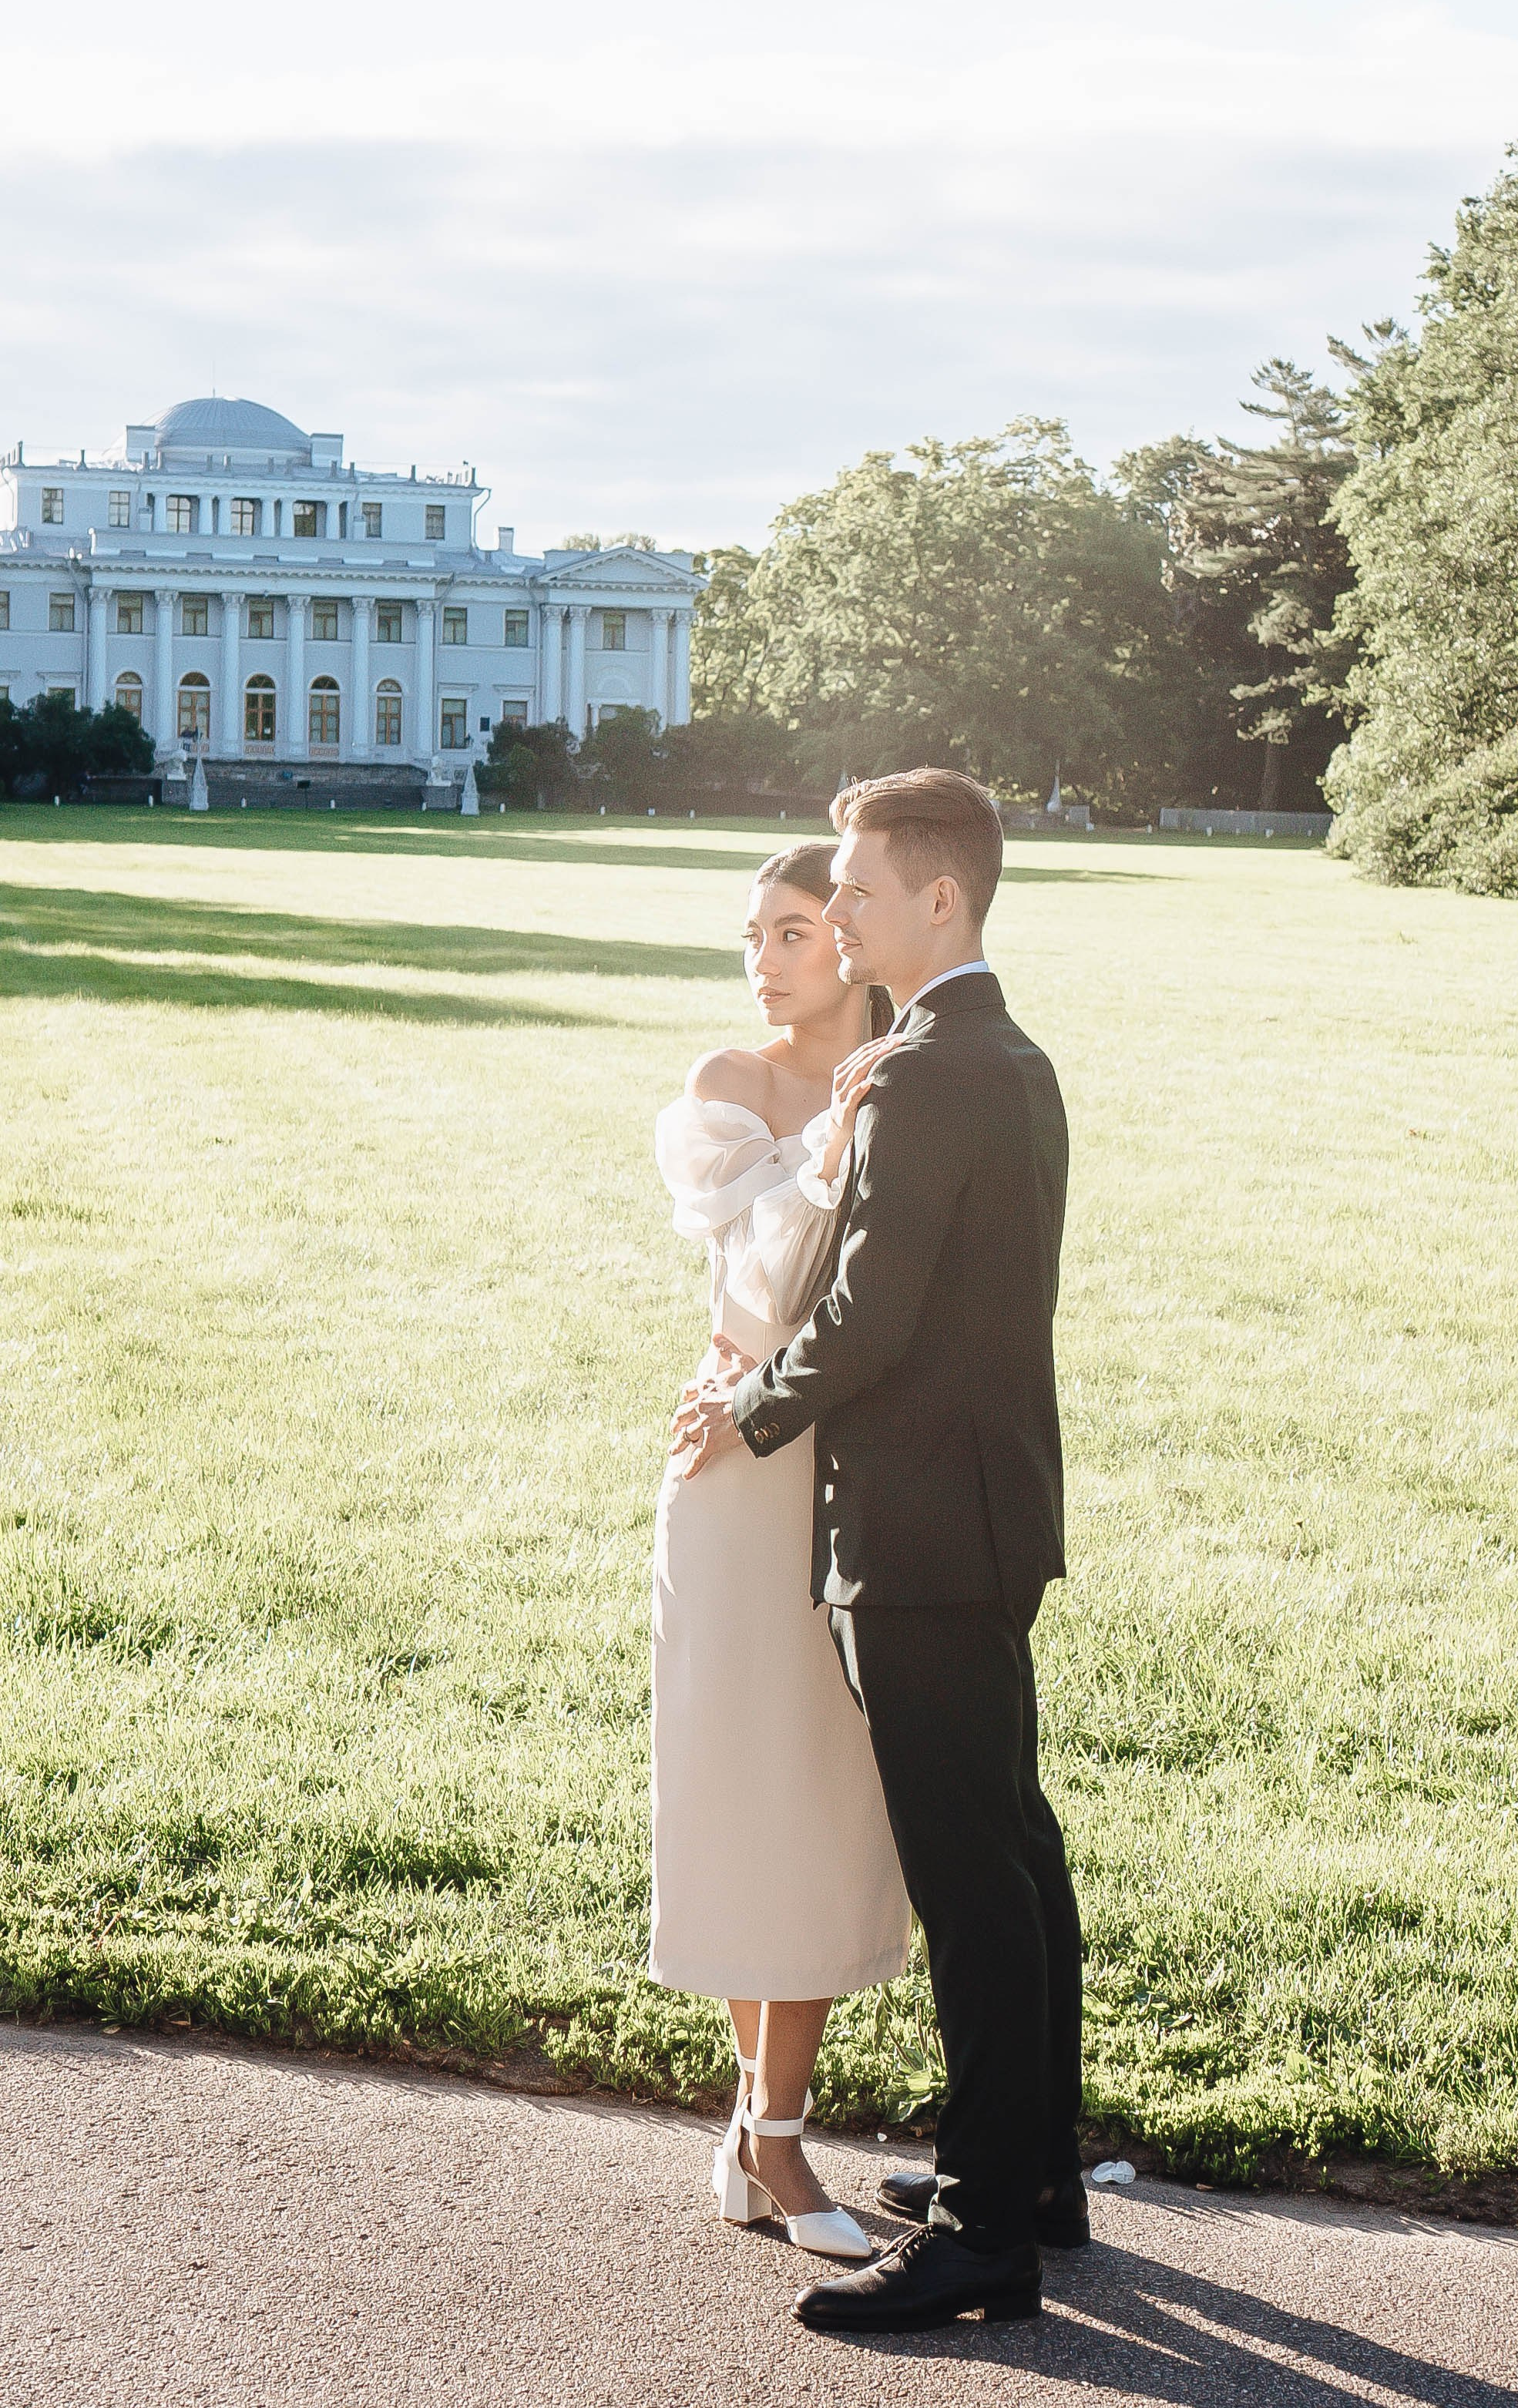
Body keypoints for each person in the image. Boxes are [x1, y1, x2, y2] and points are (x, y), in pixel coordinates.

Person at [674, 768, 1084, 2336]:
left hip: (915, 1527)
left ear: (938, 900)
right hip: (985, 1510)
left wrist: (745, 1412)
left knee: (973, 1874)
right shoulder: (1007, 1053)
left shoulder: (925, 1074)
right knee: (1014, 1851)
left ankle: (987, 2231)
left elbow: (864, 1322)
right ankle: (1030, 2167)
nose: (832, 917)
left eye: (851, 892)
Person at [652, 841, 910, 2262]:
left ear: (856, 938)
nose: (764, 956)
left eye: (797, 928)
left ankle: (762, 2130)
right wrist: (830, 1142)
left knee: (822, 1792)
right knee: (749, 1789)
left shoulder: (910, 1067)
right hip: (733, 1458)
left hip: (860, 1471)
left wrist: (864, 1125)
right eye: (753, 931)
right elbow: (759, 1281)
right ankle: (774, 2135)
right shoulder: (727, 1087)